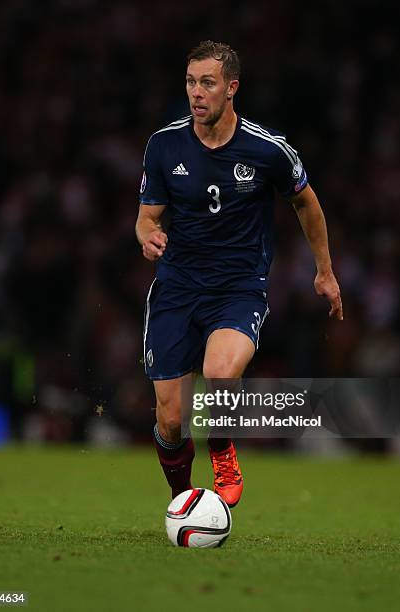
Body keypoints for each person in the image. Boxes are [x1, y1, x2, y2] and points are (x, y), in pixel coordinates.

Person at [135, 40, 342, 507]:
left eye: (207, 82)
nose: (196, 93)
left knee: (220, 373)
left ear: (231, 88)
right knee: (170, 421)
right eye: (190, 82)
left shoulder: (267, 150)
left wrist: (324, 271)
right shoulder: (164, 144)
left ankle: (223, 450)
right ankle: (183, 497)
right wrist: (147, 235)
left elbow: (307, 204)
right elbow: (147, 217)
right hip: (176, 288)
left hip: (238, 288)